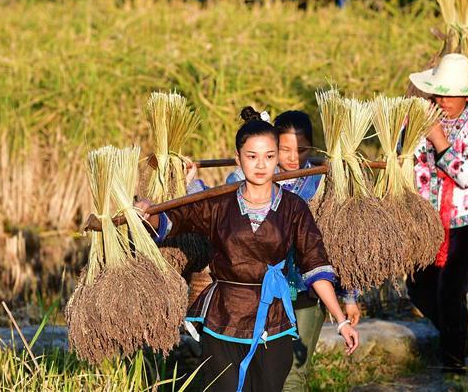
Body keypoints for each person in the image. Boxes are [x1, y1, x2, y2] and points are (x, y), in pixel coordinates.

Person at [137, 107, 359, 392]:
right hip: (224, 318)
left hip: (274, 320)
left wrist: (341, 321)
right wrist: (147, 212)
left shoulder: (293, 208)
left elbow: (315, 265)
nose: (261, 164)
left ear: (276, 157)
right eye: (252, 156)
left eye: (268, 156)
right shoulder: (219, 203)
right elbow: (175, 219)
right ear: (238, 158)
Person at [224, 110, 360, 391]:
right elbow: (223, 199)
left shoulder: (324, 182)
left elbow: (343, 245)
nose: (293, 158)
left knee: (294, 376)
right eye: (284, 149)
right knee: (261, 373)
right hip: (262, 297)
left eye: (302, 149)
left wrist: (349, 297)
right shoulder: (257, 180)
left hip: (308, 294)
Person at [406, 53, 468, 376]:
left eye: (450, 93)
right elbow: (412, 167)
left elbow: (467, 175)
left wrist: (438, 139)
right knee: (417, 288)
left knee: (450, 290)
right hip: (428, 218)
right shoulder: (415, 123)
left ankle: (454, 368)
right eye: (438, 92)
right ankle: (458, 338)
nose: (442, 99)